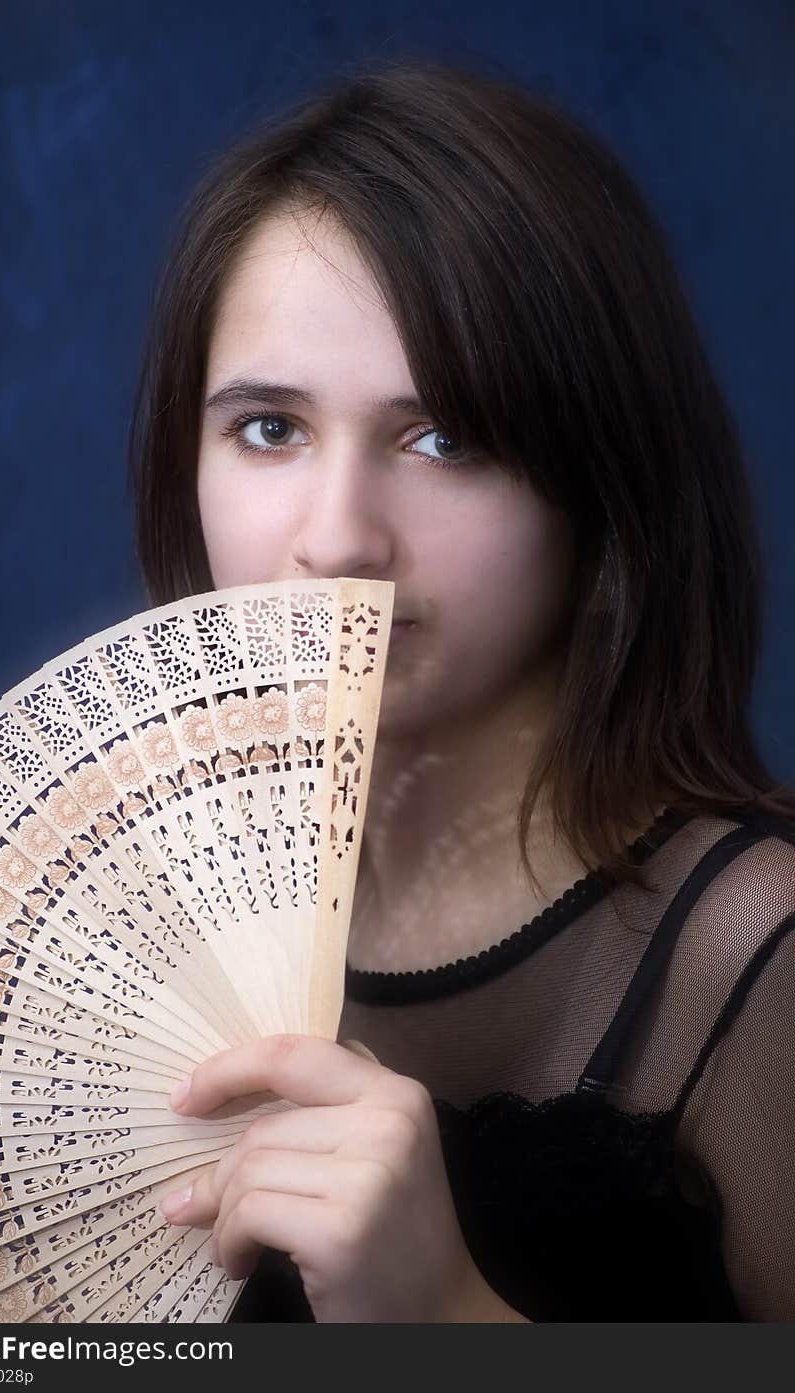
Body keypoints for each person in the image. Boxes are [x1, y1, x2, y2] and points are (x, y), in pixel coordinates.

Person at [127, 59, 795, 1321]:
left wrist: (439, 1312)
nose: (335, 541)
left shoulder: (757, 952)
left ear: (601, 485)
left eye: (445, 437)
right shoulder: (136, 930)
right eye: (268, 427)